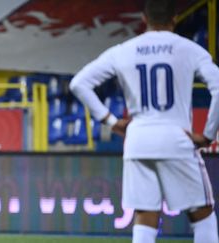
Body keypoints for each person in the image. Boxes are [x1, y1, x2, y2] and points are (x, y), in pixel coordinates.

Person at [69, 0, 219, 242]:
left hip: (137, 140)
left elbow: (79, 83)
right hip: (176, 138)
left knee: (145, 214)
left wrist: (110, 120)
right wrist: (209, 134)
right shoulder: (189, 49)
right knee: (203, 215)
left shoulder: (124, 50)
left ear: (143, 18)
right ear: (174, 18)